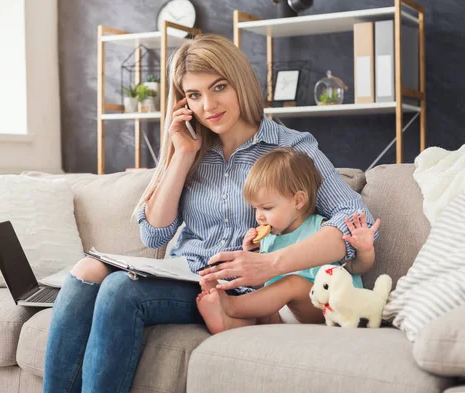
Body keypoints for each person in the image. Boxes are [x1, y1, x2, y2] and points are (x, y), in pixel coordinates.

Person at [43, 34, 378, 393]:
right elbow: (154, 234)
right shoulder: (192, 147)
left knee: (119, 291)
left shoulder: (291, 147)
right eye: (194, 95)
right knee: (87, 270)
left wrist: (272, 263)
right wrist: (182, 154)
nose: (208, 105)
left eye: (219, 87)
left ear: (240, 82)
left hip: (233, 287)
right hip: (181, 270)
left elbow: (352, 216)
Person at [196, 147, 381, 333]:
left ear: (298, 201)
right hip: (290, 313)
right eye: (255, 209)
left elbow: (356, 268)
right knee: (266, 310)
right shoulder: (269, 239)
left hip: (332, 307)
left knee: (292, 283)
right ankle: (228, 325)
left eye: (266, 208)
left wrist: (365, 251)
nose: (259, 216)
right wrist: (252, 254)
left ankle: (231, 305)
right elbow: (263, 285)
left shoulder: (321, 230)